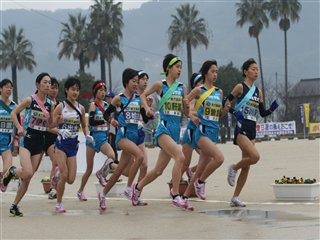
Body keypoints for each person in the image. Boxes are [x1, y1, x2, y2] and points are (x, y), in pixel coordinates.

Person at [131, 54, 190, 208]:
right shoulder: (160, 85)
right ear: (168, 68)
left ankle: (136, 189)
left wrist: (187, 105)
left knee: (158, 170)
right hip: (163, 129)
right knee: (180, 157)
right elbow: (143, 95)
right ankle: (176, 194)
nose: (179, 70)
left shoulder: (182, 87)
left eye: (181, 67)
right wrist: (146, 108)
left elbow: (186, 113)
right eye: (177, 67)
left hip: (175, 130)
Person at [225, 58, 278, 207]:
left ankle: (235, 197)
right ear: (245, 71)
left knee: (247, 165)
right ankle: (234, 168)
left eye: (257, 69)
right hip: (241, 127)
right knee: (255, 157)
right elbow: (226, 102)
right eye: (253, 69)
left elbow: (262, 113)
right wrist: (235, 112)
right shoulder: (240, 87)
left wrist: (272, 109)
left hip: (252, 128)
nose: (256, 72)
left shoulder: (258, 91)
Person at [97, 68, 150, 210]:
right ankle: (128, 188)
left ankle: (103, 194)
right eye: (133, 81)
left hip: (134, 136)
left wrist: (148, 110)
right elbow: (106, 115)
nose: (136, 84)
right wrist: (112, 121)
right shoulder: (119, 98)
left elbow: (145, 119)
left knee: (120, 170)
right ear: (126, 82)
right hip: (123, 136)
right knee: (139, 157)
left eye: (137, 81)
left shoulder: (139, 99)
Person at [181, 60, 230, 210]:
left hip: (213, 132)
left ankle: (184, 198)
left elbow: (219, 113)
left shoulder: (219, 92)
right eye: (212, 71)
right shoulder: (199, 90)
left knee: (200, 168)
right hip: (201, 132)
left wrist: (226, 109)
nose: (215, 74)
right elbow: (185, 102)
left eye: (216, 71)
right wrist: (190, 115)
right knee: (219, 159)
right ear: (205, 73)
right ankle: (200, 183)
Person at [3, 73, 53, 217]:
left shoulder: (51, 104)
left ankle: (14, 205)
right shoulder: (30, 100)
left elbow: (50, 125)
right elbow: (13, 113)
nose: (48, 85)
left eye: (49, 82)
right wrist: (19, 127)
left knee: (27, 177)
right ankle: (12, 171)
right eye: (45, 82)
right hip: (27, 140)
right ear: (38, 85)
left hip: (39, 143)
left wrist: (58, 123)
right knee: (28, 172)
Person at [52, 77, 94, 212]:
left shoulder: (81, 108)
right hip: (61, 144)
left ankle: (57, 174)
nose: (75, 92)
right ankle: (59, 203)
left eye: (77, 90)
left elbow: (84, 125)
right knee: (64, 175)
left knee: (70, 179)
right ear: (66, 90)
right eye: (72, 89)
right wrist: (60, 130)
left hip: (73, 145)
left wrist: (87, 135)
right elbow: (49, 126)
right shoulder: (61, 107)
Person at [77, 81, 117, 201]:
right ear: (95, 92)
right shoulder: (93, 105)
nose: (103, 92)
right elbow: (92, 121)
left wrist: (112, 121)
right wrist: (106, 121)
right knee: (89, 169)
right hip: (94, 138)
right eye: (100, 90)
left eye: (104, 90)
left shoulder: (106, 105)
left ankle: (101, 173)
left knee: (112, 155)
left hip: (103, 137)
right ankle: (80, 191)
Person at [122, 70, 150, 206]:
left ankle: (136, 194)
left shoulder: (142, 97)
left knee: (144, 165)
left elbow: (145, 119)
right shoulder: (128, 96)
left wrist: (148, 110)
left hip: (139, 132)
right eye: (142, 79)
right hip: (128, 134)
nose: (145, 82)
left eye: (147, 80)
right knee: (127, 168)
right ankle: (112, 166)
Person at [181, 73, 203, 182]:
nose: (203, 84)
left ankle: (191, 171)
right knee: (185, 163)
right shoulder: (192, 98)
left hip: (201, 133)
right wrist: (193, 115)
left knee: (209, 158)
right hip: (191, 133)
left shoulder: (206, 98)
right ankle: (175, 181)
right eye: (200, 82)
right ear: (195, 85)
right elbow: (186, 110)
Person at [43, 77, 60, 200]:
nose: (54, 90)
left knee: (56, 161)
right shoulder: (44, 104)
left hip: (55, 139)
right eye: (52, 87)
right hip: (42, 137)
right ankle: (22, 180)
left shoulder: (60, 105)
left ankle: (53, 189)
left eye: (56, 88)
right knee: (31, 169)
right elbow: (47, 126)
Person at [0, 79, 17, 192]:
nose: (9, 89)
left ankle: (2, 177)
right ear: (0, 89)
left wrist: (16, 139)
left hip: (6, 144)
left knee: (8, 171)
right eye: (6, 87)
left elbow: (19, 123)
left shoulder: (14, 106)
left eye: (11, 87)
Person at [106, 91, 118, 164]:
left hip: (114, 130)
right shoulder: (108, 108)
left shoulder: (116, 108)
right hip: (110, 130)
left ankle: (114, 162)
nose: (108, 99)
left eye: (109, 98)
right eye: (107, 98)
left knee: (112, 146)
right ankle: (114, 161)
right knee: (112, 146)